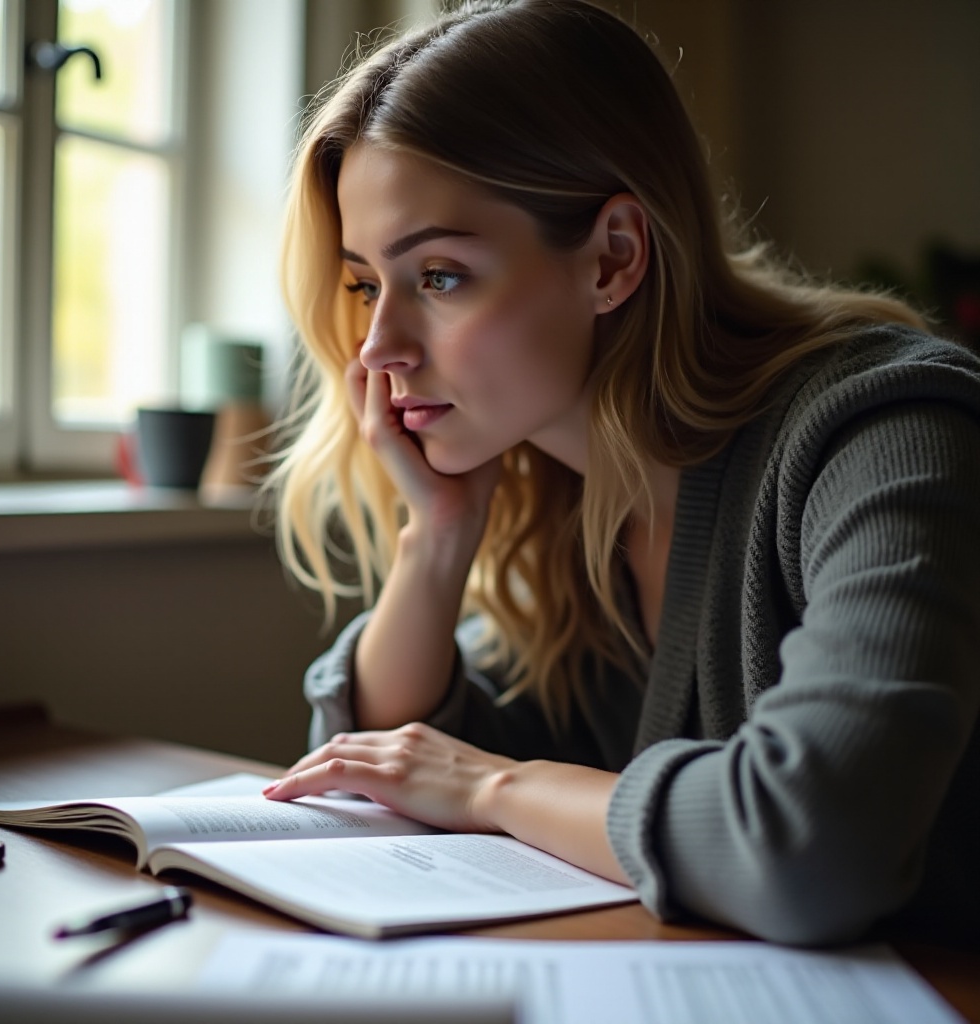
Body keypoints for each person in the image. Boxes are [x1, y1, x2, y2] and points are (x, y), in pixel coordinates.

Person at [262, 0, 980, 946]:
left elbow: (812, 845)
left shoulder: (887, 429)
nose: (381, 345)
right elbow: (374, 782)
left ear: (613, 258)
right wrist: (435, 543)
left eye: (437, 276)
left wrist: (489, 785)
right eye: (364, 284)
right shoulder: (569, 503)